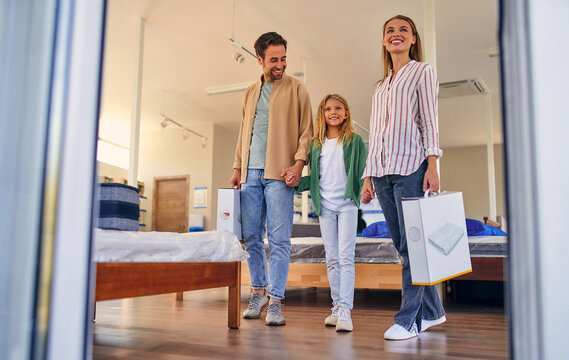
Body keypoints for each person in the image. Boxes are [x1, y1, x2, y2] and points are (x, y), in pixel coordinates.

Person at [360, 15, 446, 340]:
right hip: (381, 172)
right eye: (390, 31)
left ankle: (408, 319)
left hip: (411, 166)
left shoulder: (423, 72)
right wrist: (368, 177)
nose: (396, 35)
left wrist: (433, 164)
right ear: (384, 41)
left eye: (403, 31)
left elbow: (429, 121)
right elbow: (376, 133)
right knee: (403, 246)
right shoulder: (380, 87)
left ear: (413, 39)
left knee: (413, 245)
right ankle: (435, 312)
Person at [229, 32, 313, 326]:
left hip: (280, 173)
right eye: (274, 59)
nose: (280, 64)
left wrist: (298, 164)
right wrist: (238, 167)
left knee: (279, 240)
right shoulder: (250, 92)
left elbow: (307, 133)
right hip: (250, 172)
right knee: (251, 237)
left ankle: (276, 300)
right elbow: (243, 132)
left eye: (283, 58)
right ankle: (258, 292)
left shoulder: (297, 89)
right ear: (260, 60)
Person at [288, 94, 367, 332]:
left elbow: (363, 170)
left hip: (347, 205)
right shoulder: (315, 144)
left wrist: (367, 187)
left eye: (338, 108)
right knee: (331, 258)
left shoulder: (354, 141)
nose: (333, 112)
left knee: (346, 257)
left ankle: (346, 310)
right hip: (325, 206)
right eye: (328, 108)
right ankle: (336, 307)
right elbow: (314, 178)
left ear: (346, 113)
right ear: (322, 114)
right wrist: (294, 182)